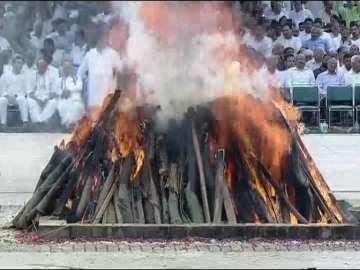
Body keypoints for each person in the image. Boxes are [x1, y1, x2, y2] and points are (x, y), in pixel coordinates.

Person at [77, 23, 125, 121]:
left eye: (104, 36)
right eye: (100, 37)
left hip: (108, 98)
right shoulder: (90, 54)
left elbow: (121, 72)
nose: (102, 39)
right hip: (92, 99)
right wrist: (86, 85)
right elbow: (80, 74)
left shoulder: (113, 54)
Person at [27, 57, 60, 123]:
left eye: (44, 66)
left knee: (53, 102)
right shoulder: (32, 75)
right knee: (30, 101)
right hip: (36, 98)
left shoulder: (51, 75)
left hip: (47, 98)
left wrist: (47, 99)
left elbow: (54, 92)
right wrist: (38, 100)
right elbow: (30, 92)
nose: (43, 68)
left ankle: (40, 122)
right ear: (37, 66)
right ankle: (38, 122)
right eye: (41, 66)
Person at [57, 56, 85, 130]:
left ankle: (71, 125)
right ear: (63, 67)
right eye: (65, 67)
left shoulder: (77, 77)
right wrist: (62, 92)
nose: (67, 69)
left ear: (71, 67)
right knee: (63, 106)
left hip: (75, 99)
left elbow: (80, 87)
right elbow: (56, 90)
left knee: (75, 106)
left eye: (68, 67)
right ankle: (66, 126)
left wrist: (69, 91)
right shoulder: (59, 79)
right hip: (63, 99)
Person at [0, 55, 28, 127]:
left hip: (18, 98)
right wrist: (7, 96)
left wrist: (16, 96)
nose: (20, 65)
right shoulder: (5, 75)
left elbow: (25, 91)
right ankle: (3, 124)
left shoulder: (24, 76)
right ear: (13, 64)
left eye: (21, 63)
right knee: (2, 100)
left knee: (22, 99)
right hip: (7, 98)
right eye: (18, 62)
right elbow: (2, 89)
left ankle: (25, 122)